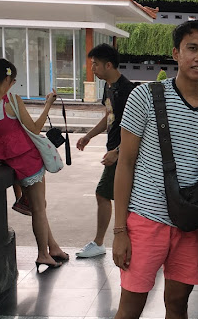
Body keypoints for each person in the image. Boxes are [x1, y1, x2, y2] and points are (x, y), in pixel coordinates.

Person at [111, 20, 198, 319]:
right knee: (130, 307)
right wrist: (120, 230)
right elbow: (125, 164)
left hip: (189, 225)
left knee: (178, 304)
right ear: (176, 53)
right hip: (145, 220)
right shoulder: (144, 96)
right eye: (192, 48)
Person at [0, 58, 68, 270]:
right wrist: (48, 104)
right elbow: (35, 129)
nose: (13, 84)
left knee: (39, 206)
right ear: (7, 78)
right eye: (13, 80)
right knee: (39, 209)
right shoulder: (11, 100)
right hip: (27, 157)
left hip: (9, 161)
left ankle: (54, 247)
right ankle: (43, 254)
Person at [75, 44, 135, 258]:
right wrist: (88, 136)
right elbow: (109, 117)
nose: (92, 69)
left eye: (95, 64)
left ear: (108, 65)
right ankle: (130, 244)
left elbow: (138, 128)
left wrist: (117, 151)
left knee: (103, 193)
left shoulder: (127, 90)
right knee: (123, 199)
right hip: (116, 151)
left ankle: (100, 242)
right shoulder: (109, 87)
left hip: (125, 154)